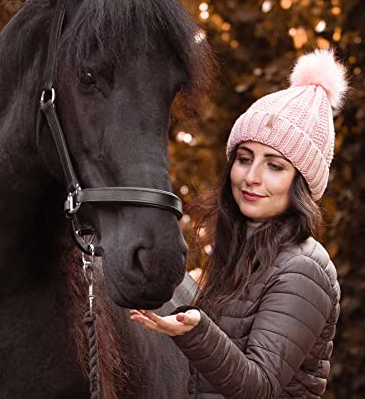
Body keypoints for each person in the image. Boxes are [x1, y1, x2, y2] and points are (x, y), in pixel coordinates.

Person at [130, 49, 347, 398]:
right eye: (244, 159)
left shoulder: (304, 268)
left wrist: (196, 331)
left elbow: (257, 386)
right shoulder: (241, 254)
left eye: (275, 166)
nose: (251, 177)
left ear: (301, 184)